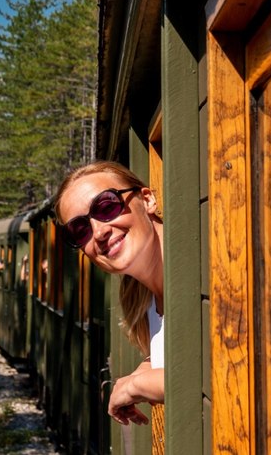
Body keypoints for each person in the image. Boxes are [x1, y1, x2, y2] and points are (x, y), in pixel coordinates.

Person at [54, 160, 163, 426]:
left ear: (147, 199)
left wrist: (137, 386)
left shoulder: (207, 270)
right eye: (81, 230)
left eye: (106, 207)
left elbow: (224, 372)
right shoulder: (146, 304)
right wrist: (149, 367)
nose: (99, 231)